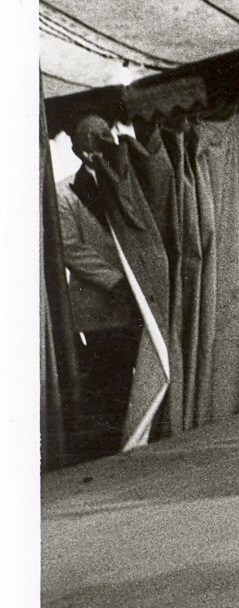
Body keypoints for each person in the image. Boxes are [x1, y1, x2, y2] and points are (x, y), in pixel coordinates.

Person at [56, 115, 141, 462]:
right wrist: (114, 280)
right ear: (79, 148)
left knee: (140, 369)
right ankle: (110, 447)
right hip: (97, 304)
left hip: (136, 297)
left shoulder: (126, 182)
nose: (103, 141)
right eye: (95, 137)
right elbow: (70, 248)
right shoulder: (64, 192)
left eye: (107, 134)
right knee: (109, 377)